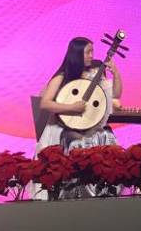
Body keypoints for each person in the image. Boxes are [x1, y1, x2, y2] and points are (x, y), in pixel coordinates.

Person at [35, 37, 123, 198]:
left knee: (107, 135)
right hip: (63, 127)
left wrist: (116, 73)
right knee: (77, 141)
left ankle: (103, 187)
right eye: (88, 52)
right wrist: (71, 108)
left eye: (92, 51)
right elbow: (45, 103)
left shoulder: (94, 74)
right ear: (77, 54)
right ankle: (74, 191)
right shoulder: (63, 76)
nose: (91, 55)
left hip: (89, 125)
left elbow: (115, 94)